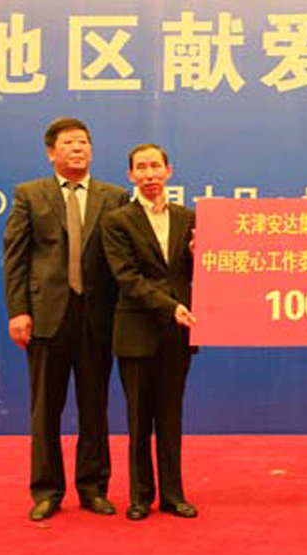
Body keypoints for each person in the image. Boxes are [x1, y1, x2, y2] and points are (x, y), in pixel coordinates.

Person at [3, 117, 128, 521]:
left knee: (95, 408)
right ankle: (47, 490)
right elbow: (16, 257)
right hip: (46, 316)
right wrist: (18, 310)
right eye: (69, 142)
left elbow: (129, 254)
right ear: (51, 152)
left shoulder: (115, 197)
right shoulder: (30, 194)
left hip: (97, 317)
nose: (78, 148)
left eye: (84, 142)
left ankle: (93, 488)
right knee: (45, 410)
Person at [101, 144, 198, 520]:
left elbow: (195, 274)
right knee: (139, 419)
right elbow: (127, 277)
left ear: (169, 171)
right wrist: (169, 306)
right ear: (130, 175)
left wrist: (198, 256)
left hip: (179, 332)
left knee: (171, 418)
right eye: (141, 168)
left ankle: (173, 495)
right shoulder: (117, 221)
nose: (149, 174)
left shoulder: (188, 217)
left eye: (155, 166)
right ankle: (140, 496)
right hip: (136, 330)